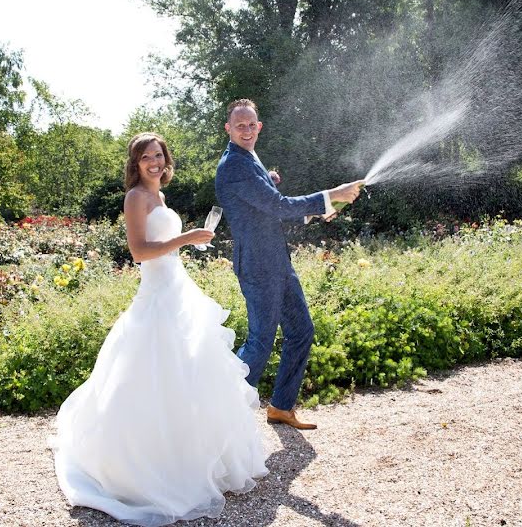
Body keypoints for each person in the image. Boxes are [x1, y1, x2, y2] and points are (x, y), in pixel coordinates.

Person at [51, 132, 268, 526]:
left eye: (158, 155)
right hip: (156, 296)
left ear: (166, 160)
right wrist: (185, 238)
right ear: (135, 165)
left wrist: (186, 242)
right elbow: (138, 252)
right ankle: (153, 468)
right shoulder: (136, 197)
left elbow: (163, 245)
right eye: (145, 157)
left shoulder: (161, 197)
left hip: (177, 290)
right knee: (153, 376)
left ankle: (190, 459)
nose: (153, 162)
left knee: (189, 375)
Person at [215, 99, 363, 430]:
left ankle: (281, 407)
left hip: (277, 263)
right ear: (228, 129)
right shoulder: (233, 164)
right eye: (240, 125)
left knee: (301, 331)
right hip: (257, 267)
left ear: (259, 126)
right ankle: (219, 414)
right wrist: (331, 195)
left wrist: (314, 209)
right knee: (260, 341)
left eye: (251, 124)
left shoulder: (249, 159)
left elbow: (265, 208)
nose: (247, 130)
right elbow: (278, 206)